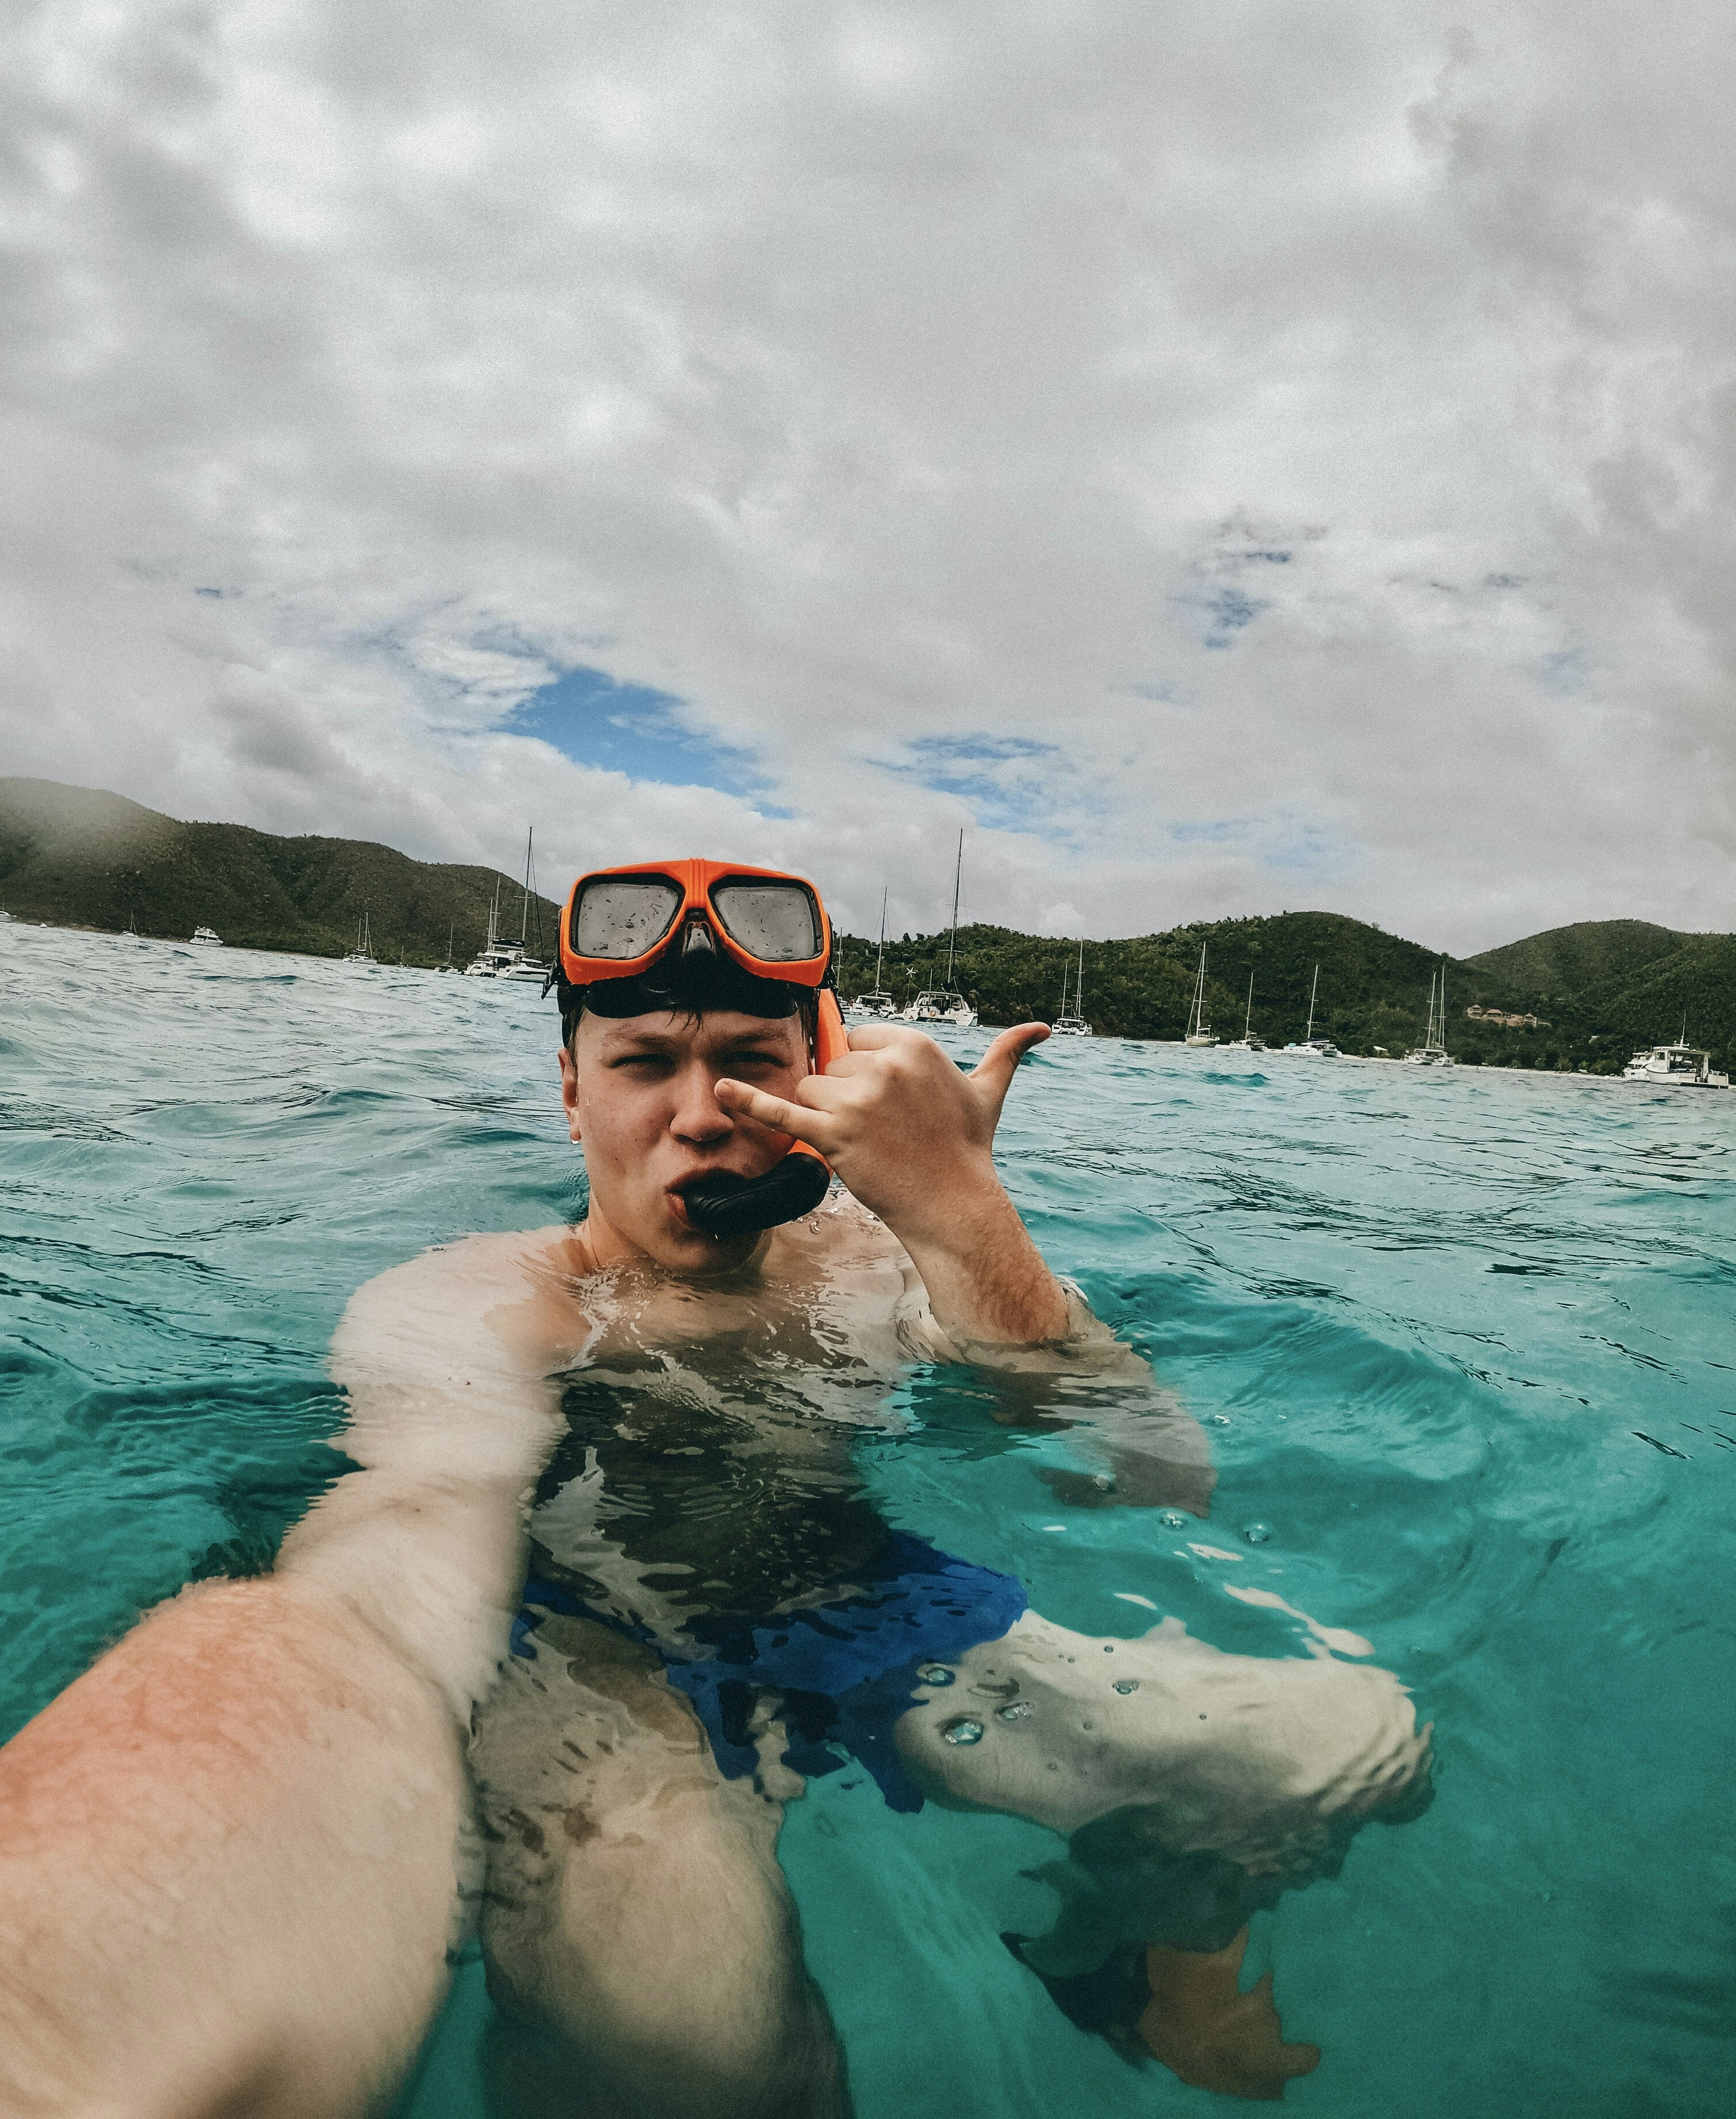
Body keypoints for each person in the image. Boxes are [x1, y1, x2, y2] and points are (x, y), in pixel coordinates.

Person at [0, 858, 1431, 2119]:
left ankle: (1114, 1946)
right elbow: (389, 1575)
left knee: (1345, 1738)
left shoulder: (879, 1265)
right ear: (571, 1083)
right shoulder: (473, 1310)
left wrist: (966, 1215)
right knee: (701, 2033)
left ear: (817, 1080)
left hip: (847, 1596)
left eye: (748, 1057)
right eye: (642, 1062)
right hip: (581, 1656)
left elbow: (1158, 1472)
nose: (703, 1116)